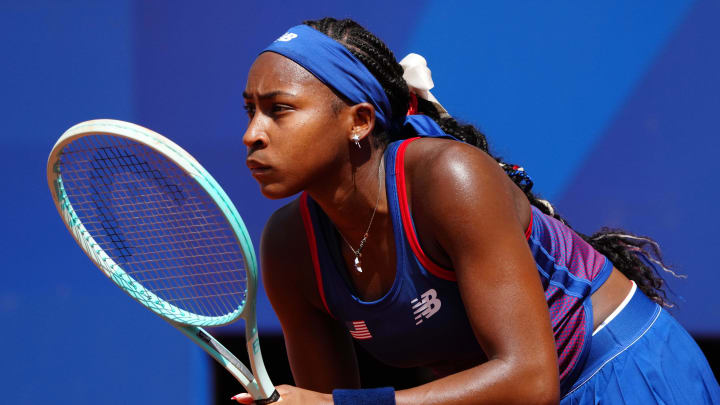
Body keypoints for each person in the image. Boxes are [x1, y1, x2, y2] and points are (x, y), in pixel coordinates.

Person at [233, 18, 720, 405]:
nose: (252, 133)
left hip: (622, 376)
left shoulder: (449, 180)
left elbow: (530, 381)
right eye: (250, 109)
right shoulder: (289, 247)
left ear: (358, 121)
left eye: (279, 109)